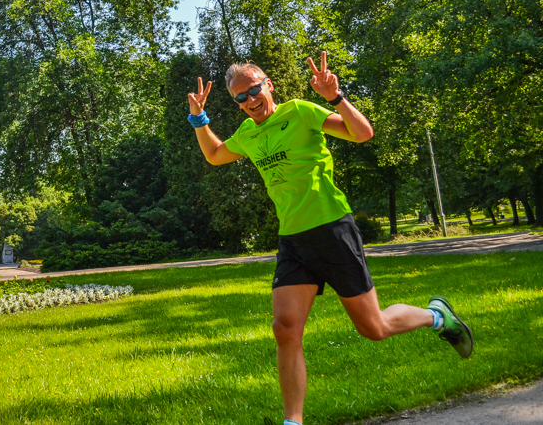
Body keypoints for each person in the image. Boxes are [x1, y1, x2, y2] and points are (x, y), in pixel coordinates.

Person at [186, 53, 473, 425]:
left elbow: (362, 133)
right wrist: (199, 119)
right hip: (293, 239)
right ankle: (293, 422)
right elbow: (214, 154)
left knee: (374, 328)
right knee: (284, 328)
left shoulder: (301, 111)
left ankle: (438, 317)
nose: (249, 100)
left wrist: (336, 98)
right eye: (239, 98)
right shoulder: (247, 134)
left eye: (253, 89)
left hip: (332, 229)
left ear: (267, 85)